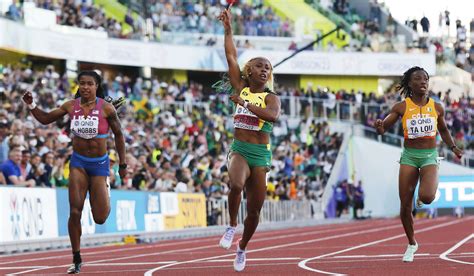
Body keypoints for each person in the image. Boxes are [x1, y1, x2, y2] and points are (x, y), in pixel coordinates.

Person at [22, 71, 127, 274]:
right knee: (75, 211)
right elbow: (45, 119)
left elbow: (119, 136)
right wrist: (32, 105)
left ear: (97, 86)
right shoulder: (71, 105)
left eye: (90, 84)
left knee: (100, 218)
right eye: (82, 84)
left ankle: (106, 188)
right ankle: (76, 257)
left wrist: (122, 166)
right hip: (78, 163)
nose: (85, 87)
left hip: (99, 165)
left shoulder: (107, 108)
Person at [374, 66, 463, 263]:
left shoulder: (437, 107)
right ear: (409, 84)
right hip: (409, 156)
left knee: (427, 197)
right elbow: (384, 129)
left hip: (429, 155)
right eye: (418, 79)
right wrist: (380, 128)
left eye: (425, 79)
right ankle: (412, 243)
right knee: (405, 205)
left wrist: (454, 148)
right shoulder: (401, 107)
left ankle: (424, 187)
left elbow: (444, 130)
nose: (423, 82)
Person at [217, 8, 281, 272]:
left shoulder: (270, 97)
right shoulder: (239, 86)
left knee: (254, 211)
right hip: (240, 149)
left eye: (267, 67)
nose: (264, 70)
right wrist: (228, 29)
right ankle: (231, 225)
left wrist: (244, 103)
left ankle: (242, 247)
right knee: (235, 184)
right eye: (259, 66)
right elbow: (230, 54)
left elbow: (272, 116)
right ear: (249, 70)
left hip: (261, 154)